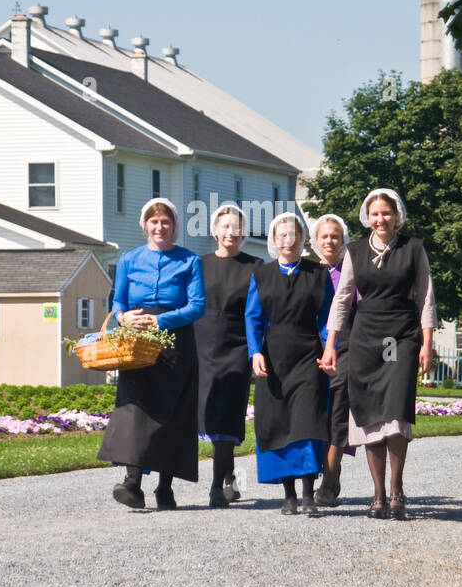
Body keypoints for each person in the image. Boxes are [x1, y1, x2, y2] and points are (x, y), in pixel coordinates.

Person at [321, 188, 436, 520]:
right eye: (375, 214)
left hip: (402, 335)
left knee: (396, 413)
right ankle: (378, 493)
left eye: (386, 213)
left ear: (396, 215)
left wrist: (427, 343)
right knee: (369, 413)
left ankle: (397, 488)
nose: (381, 218)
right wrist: (331, 344)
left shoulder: (414, 249)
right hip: (366, 337)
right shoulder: (354, 251)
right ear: (367, 217)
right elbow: (342, 299)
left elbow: (426, 297)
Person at [97, 197, 206, 510]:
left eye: (166, 222)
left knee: (172, 413)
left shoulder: (189, 261)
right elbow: (117, 302)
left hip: (175, 341)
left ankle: (165, 487)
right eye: (154, 221)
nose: (160, 227)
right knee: (136, 409)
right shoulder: (130, 260)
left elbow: (198, 306)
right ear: (145, 225)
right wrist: (123, 317)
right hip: (137, 340)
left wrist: (160, 319)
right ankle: (133, 483)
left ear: (173, 227)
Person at [246, 211, 336, 515]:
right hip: (273, 358)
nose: (288, 240)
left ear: (302, 240)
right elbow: (253, 318)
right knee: (279, 421)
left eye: (294, 234)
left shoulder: (318, 274)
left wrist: (328, 348)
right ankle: (288, 495)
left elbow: (326, 317)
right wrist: (254, 352)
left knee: (308, 421)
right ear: (273, 240)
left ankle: (309, 493)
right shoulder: (261, 274)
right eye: (282, 235)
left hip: (308, 354)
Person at [196, 204, 261, 508]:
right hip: (201, 346)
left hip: (237, 348)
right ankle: (229, 477)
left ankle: (216, 486)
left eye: (236, 227)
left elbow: (261, 311)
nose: (230, 232)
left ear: (243, 233)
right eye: (224, 226)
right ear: (215, 231)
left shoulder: (256, 266)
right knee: (207, 414)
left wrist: (257, 350)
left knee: (226, 416)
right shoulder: (200, 264)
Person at [310, 213, 358, 508]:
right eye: (324, 236)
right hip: (311, 353)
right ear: (316, 241)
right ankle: (328, 470)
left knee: (337, 415)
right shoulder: (309, 273)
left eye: (335, 236)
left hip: (345, 351)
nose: (329, 241)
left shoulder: (353, 273)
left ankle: (328, 482)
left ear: (344, 240)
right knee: (315, 416)